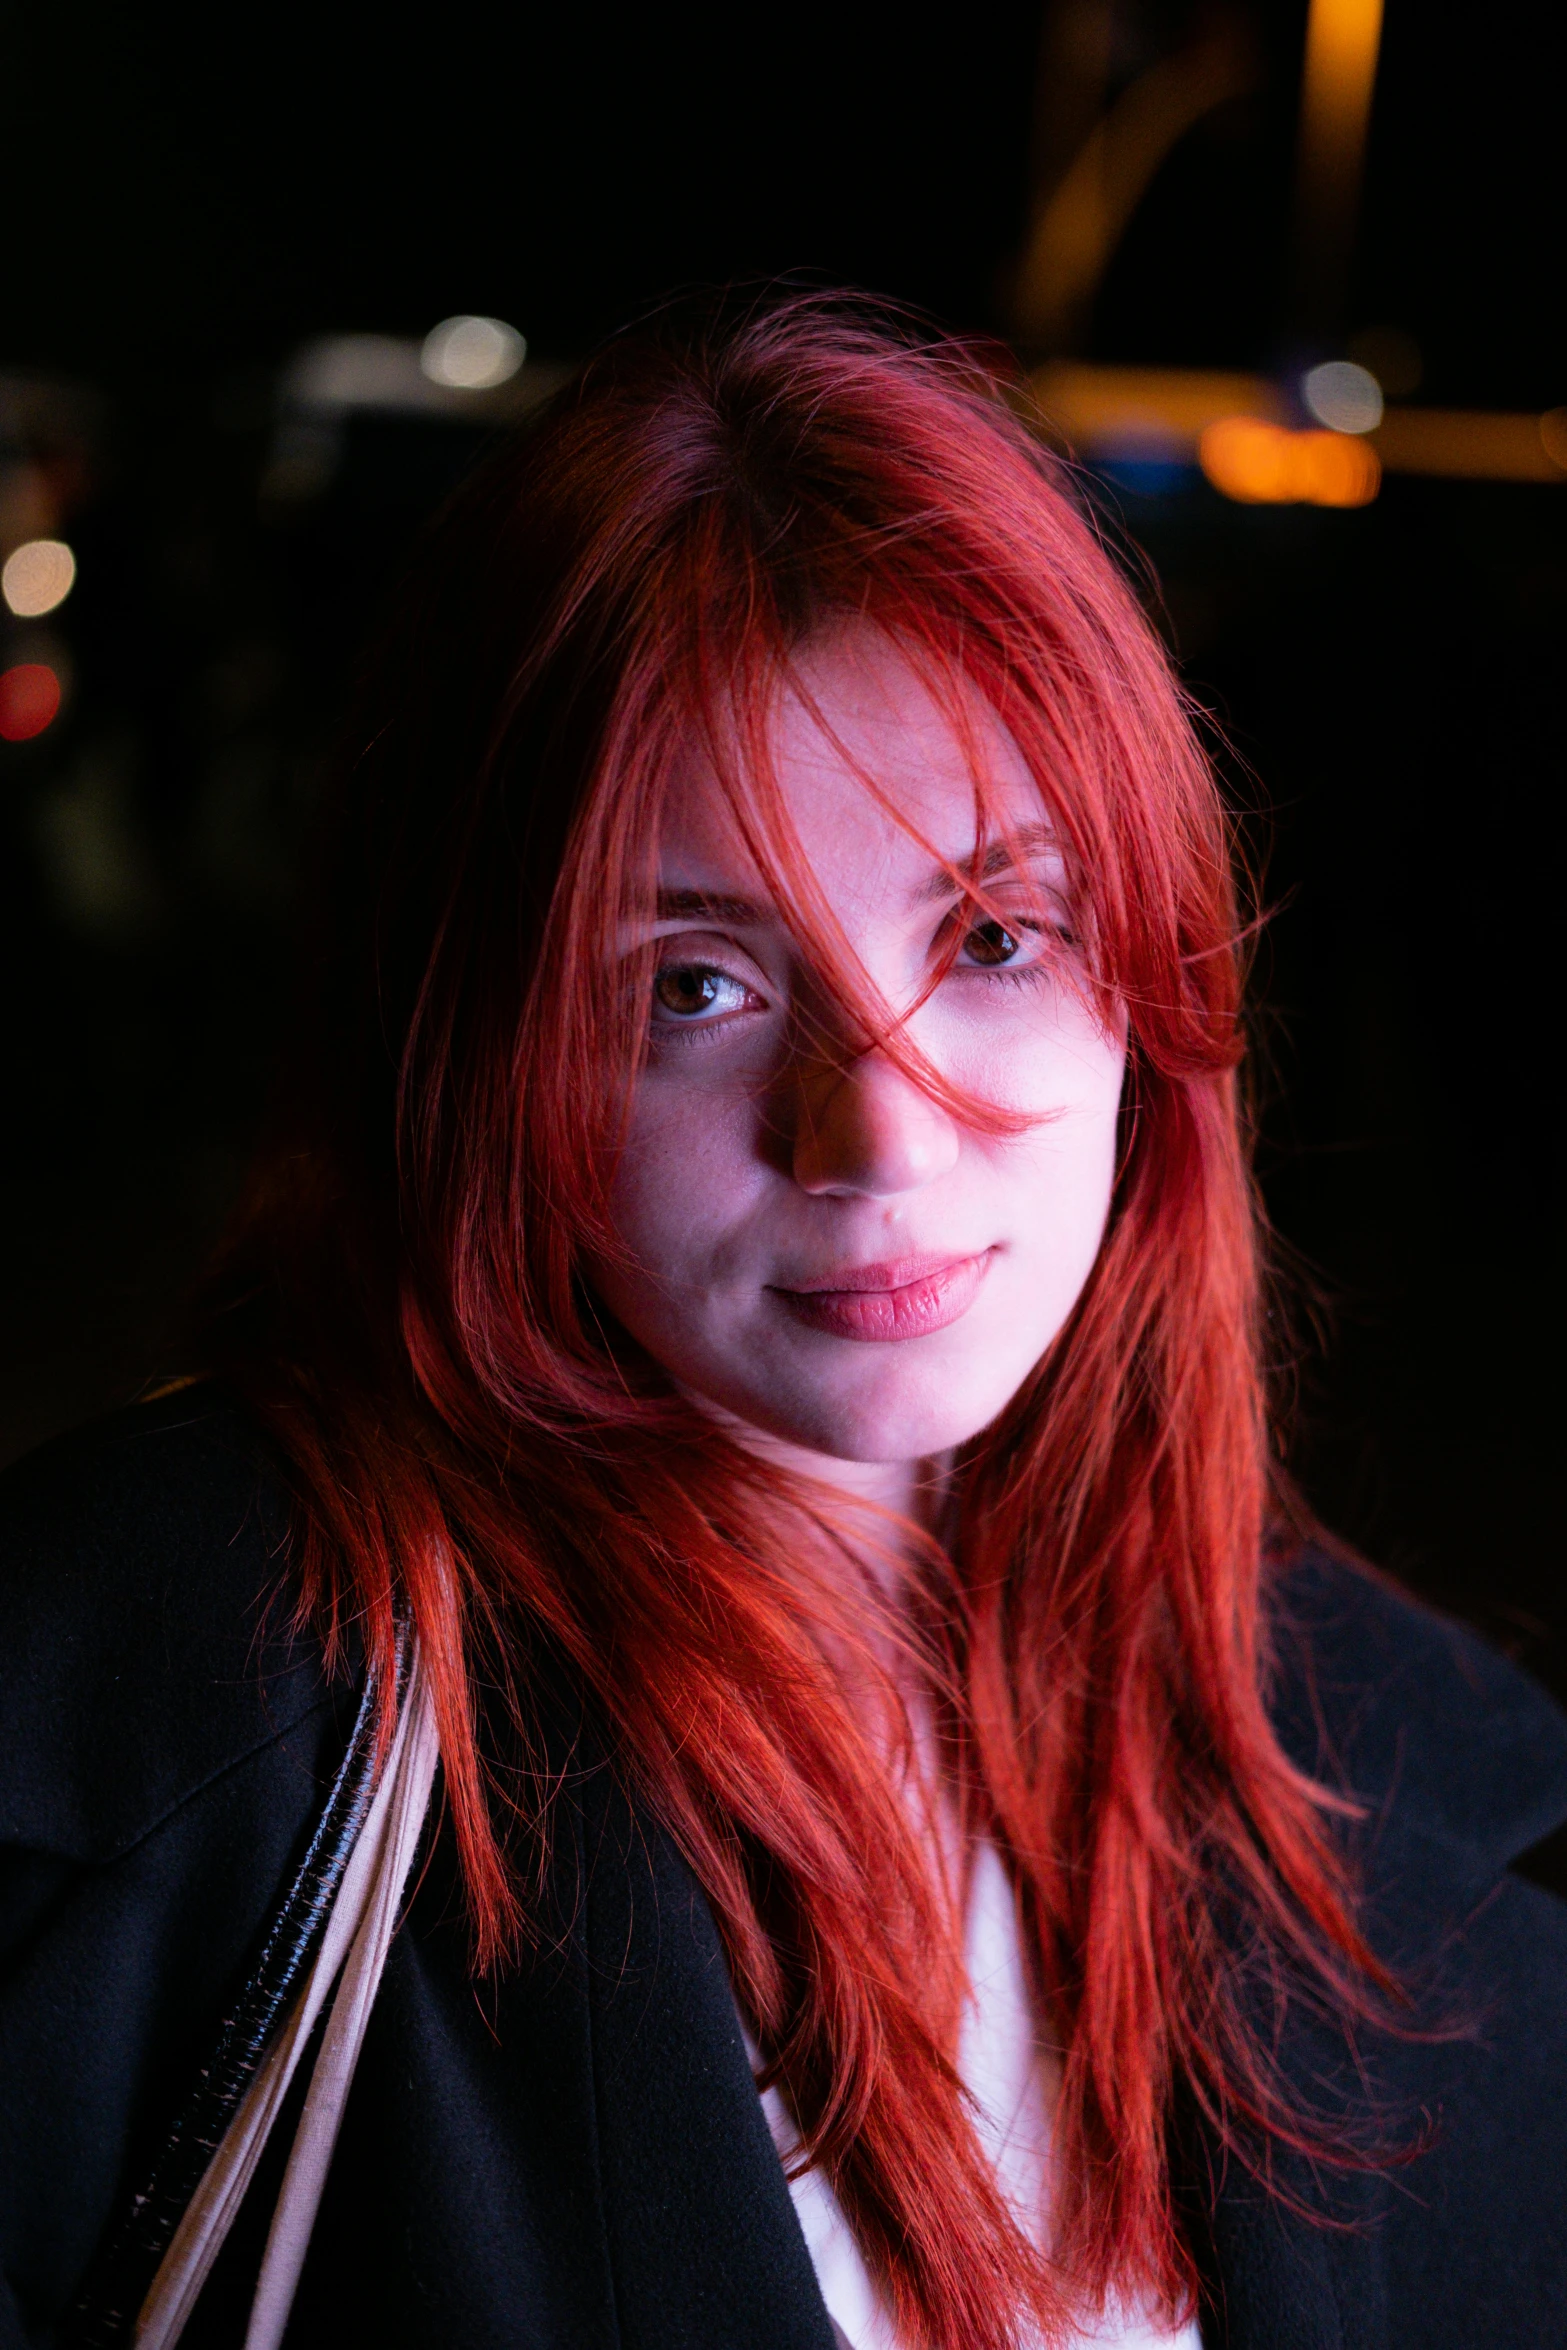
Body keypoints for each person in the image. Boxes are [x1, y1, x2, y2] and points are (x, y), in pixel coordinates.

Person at [2, 298, 1564, 2350]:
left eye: (993, 934)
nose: (881, 1132)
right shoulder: (170, 1721)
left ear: (1156, 969)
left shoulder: (1392, 1781)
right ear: (477, 1048)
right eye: (691, 985)